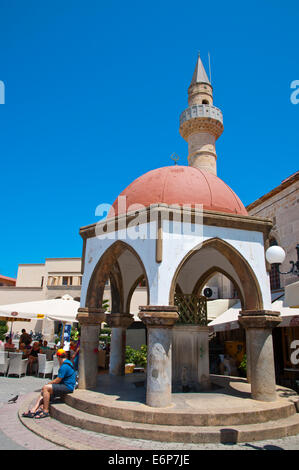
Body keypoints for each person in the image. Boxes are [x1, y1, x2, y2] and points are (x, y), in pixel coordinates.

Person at [22, 349, 77, 419]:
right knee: (43, 392)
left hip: (67, 387)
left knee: (46, 388)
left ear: (58, 357)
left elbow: (57, 380)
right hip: (66, 385)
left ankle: (45, 410)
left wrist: (48, 384)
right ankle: (33, 410)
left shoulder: (64, 366)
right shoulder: (68, 362)